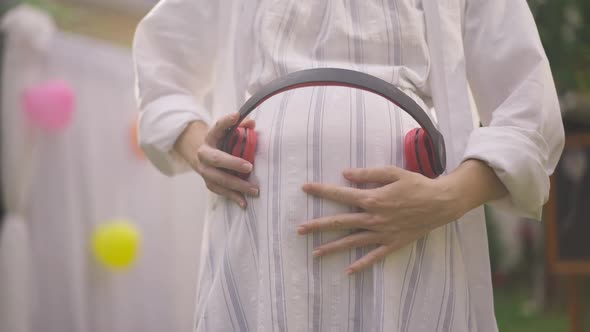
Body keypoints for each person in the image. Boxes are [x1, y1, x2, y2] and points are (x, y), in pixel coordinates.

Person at [132, 0, 565, 331]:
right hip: (260, 232)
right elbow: (161, 74)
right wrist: (198, 151)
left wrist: (447, 198)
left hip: (413, 238)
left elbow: (529, 110)